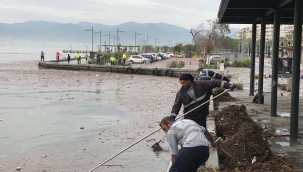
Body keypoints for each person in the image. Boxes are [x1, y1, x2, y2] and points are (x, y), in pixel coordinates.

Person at [170, 74, 236, 136]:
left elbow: (215, 83)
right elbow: (176, 106)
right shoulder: (180, 94)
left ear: (189, 80)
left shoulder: (200, 84)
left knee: (202, 132)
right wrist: (172, 117)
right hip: (189, 117)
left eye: (184, 83)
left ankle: (207, 143)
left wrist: (228, 85)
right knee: (188, 133)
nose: (182, 85)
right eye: (181, 83)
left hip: (202, 115)